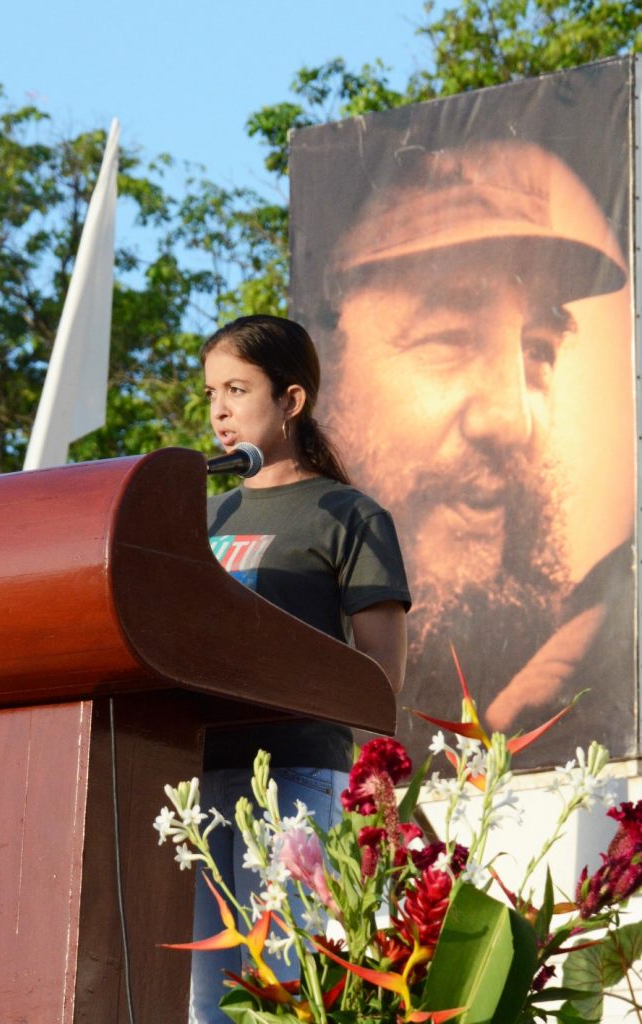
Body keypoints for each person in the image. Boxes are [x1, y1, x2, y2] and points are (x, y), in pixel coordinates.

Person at [314, 140, 632, 756]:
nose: (510, 419)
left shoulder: (580, 688)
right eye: (449, 338)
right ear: (328, 374)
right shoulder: (261, 624)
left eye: (538, 347)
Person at [192, 313, 411, 1024]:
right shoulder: (204, 515)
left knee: (284, 986)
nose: (219, 410)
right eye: (209, 394)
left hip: (294, 774)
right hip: (198, 780)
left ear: (290, 401)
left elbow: (380, 668)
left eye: (237, 389)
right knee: (210, 1002)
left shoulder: (345, 514)